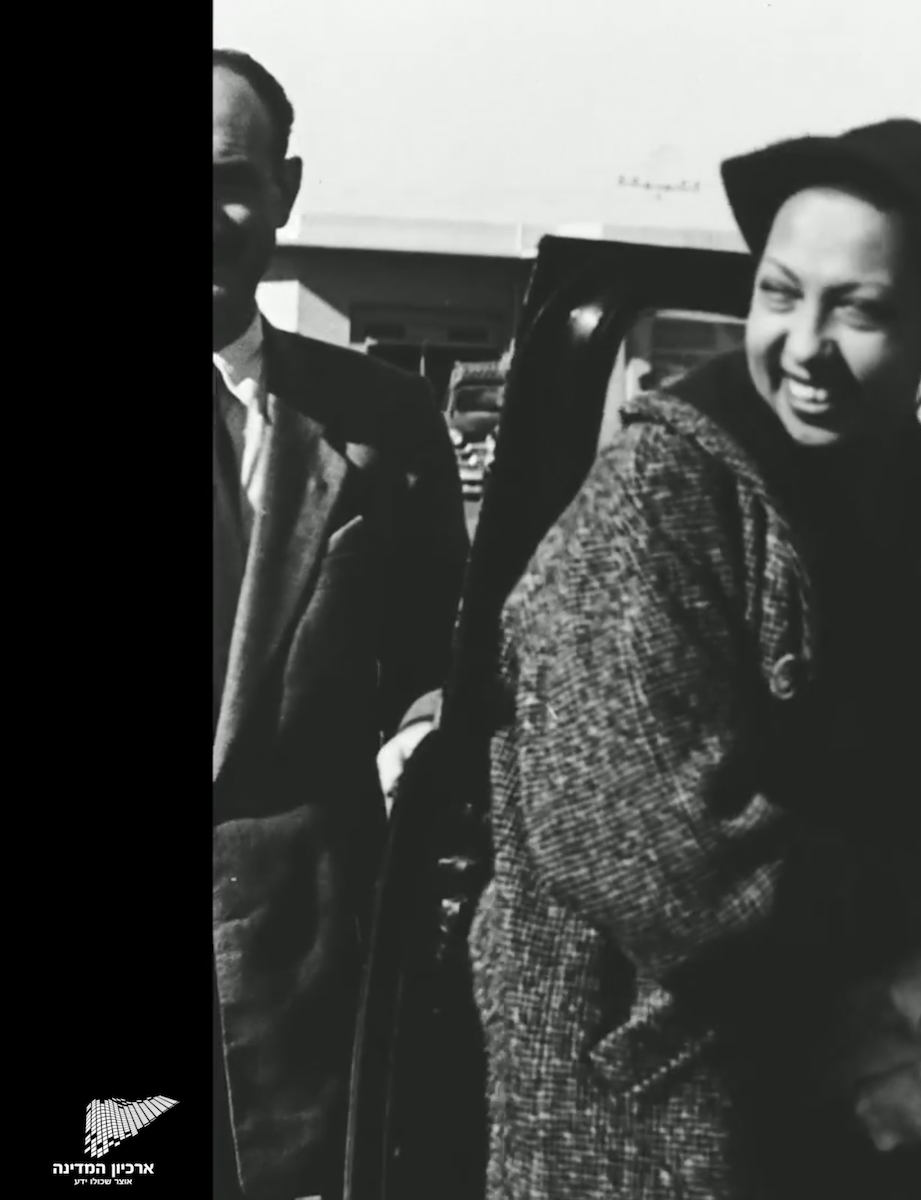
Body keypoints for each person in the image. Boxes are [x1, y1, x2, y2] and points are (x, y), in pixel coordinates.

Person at [467, 118, 921, 1199]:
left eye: (857, 309)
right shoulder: (660, 499)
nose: (803, 346)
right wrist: (916, 905)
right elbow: (654, 857)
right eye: (778, 293)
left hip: (852, 1068)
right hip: (646, 1090)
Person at [212, 49, 468, 1200]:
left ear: (284, 190)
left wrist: (425, 733)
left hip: (302, 962)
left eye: (229, 176)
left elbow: (443, 662)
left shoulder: (381, 419)